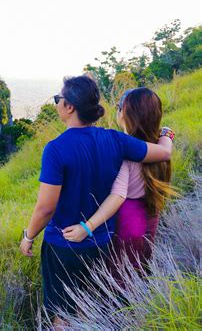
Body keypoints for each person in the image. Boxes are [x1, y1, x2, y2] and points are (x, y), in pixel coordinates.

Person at [18, 76, 173, 327]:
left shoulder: (55, 149)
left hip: (64, 244)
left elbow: (46, 207)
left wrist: (28, 236)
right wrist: (167, 134)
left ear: (69, 107)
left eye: (59, 99)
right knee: (90, 305)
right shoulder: (116, 139)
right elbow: (163, 152)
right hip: (103, 242)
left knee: (62, 311)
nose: (57, 103)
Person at [62, 88, 176, 274]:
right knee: (141, 267)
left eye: (118, 107)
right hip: (150, 214)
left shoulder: (126, 152)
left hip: (127, 221)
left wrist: (87, 227)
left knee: (120, 276)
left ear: (124, 114)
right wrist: (167, 133)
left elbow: (118, 194)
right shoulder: (160, 146)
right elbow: (167, 138)